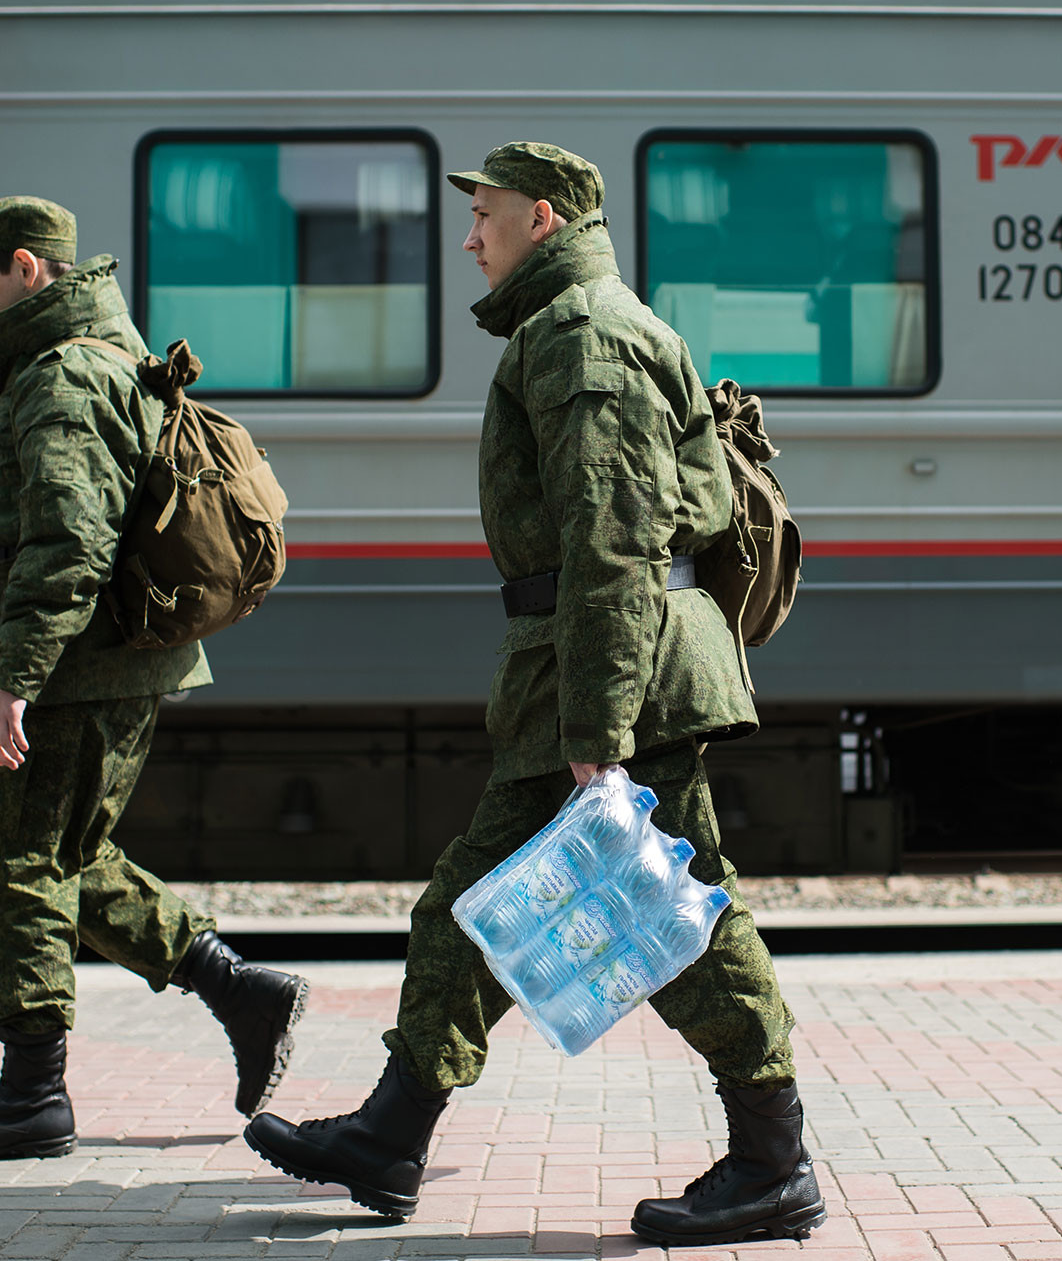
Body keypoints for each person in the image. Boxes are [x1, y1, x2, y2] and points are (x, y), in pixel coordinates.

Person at [243, 144, 828, 1246]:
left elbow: (615, 540)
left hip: (619, 676)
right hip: (588, 666)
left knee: (676, 914)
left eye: (489, 217)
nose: (472, 237)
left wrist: (599, 732)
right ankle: (391, 1132)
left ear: (543, 219)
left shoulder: (582, 338)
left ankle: (772, 1158)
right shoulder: (571, 327)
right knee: (475, 905)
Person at [0, 197, 308, 1163]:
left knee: (0, 864)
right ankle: (240, 990)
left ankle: (31, 1096)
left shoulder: (63, 377)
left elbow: (68, 544)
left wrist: (18, 679)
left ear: (29, 269)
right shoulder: (100, 358)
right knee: (68, 856)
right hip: (112, 660)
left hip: (81, 668)